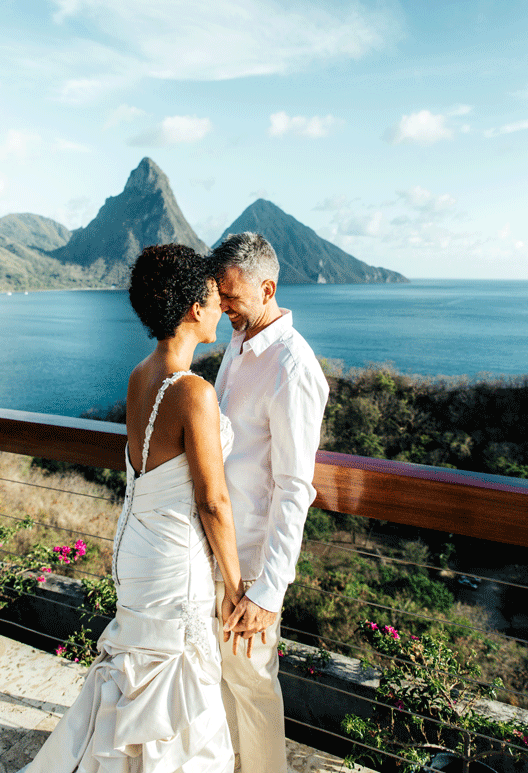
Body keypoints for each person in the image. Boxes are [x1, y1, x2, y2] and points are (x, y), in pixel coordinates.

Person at [21, 244, 247, 773]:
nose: (221, 309)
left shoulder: (139, 374)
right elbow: (212, 502)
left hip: (138, 546)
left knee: (140, 668)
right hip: (174, 558)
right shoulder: (194, 393)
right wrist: (237, 587)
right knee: (175, 681)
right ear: (195, 307)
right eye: (215, 299)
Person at [210, 232, 330, 773]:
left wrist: (268, 589)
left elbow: (294, 487)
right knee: (218, 682)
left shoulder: (293, 367)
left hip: (254, 562)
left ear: (268, 288)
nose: (223, 306)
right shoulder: (238, 345)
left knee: (253, 687)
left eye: (231, 296)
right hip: (218, 552)